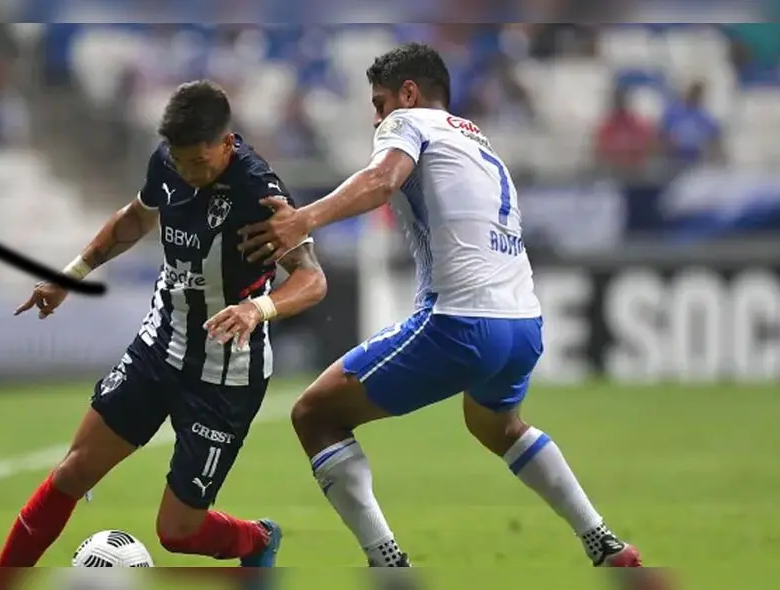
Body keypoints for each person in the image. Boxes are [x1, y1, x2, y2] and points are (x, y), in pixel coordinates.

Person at [239, 43, 655, 579]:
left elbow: (381, 180)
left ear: (409, 94)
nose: (376, 116)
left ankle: (388, 566)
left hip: (460, 323)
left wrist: (304, 220)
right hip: (523, 324)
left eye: (380, 101)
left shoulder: (408, 123)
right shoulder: (479, 143)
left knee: (314, 414)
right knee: (497, 426)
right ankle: (603, 541)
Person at [0, 80, 327, 568]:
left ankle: (256, 540)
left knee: (177, 532)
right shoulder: (167, 163)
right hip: (159, 346)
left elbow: (312, 280)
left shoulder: (259, 193)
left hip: (225, 374)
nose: (189, 173)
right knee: (72, 472)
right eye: (180, 161)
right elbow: (134, 218)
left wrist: (258, 309)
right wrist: (70, 276)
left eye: (199, 162)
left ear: (228, 144)